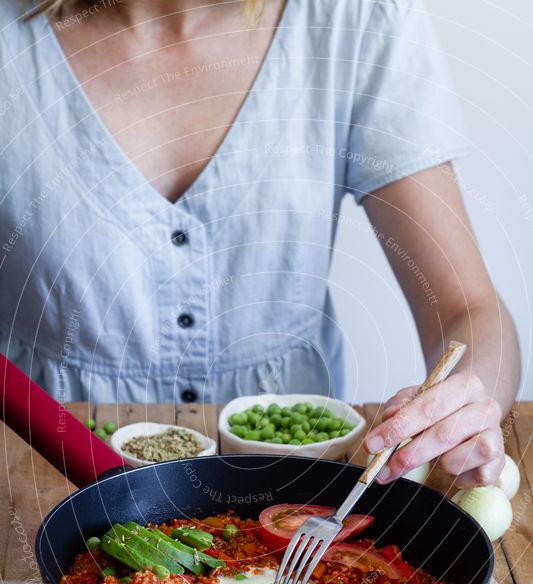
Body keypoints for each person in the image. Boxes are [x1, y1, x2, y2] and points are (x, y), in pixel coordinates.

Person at [0, 0, 520, 487]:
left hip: (299, 481)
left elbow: (468, 308)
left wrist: (466, 404)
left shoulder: (355, 18)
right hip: (33, 471)